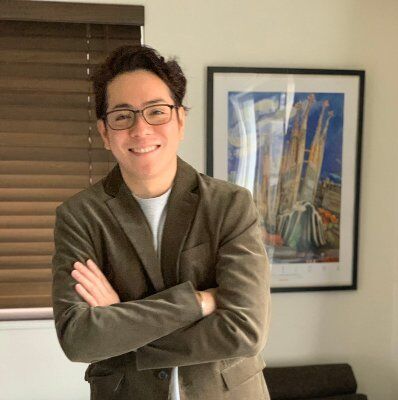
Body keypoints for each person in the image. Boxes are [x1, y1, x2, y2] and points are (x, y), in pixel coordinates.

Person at [52, 45, 271, 400]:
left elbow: (244, 330)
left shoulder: (229, 205)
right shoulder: (79, 216)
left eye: (156, 111)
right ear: (105, 132)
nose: (141, 129)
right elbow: (79, 340)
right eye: (123, 116)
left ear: (180, 120)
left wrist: (121, 322)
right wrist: (198, 302)